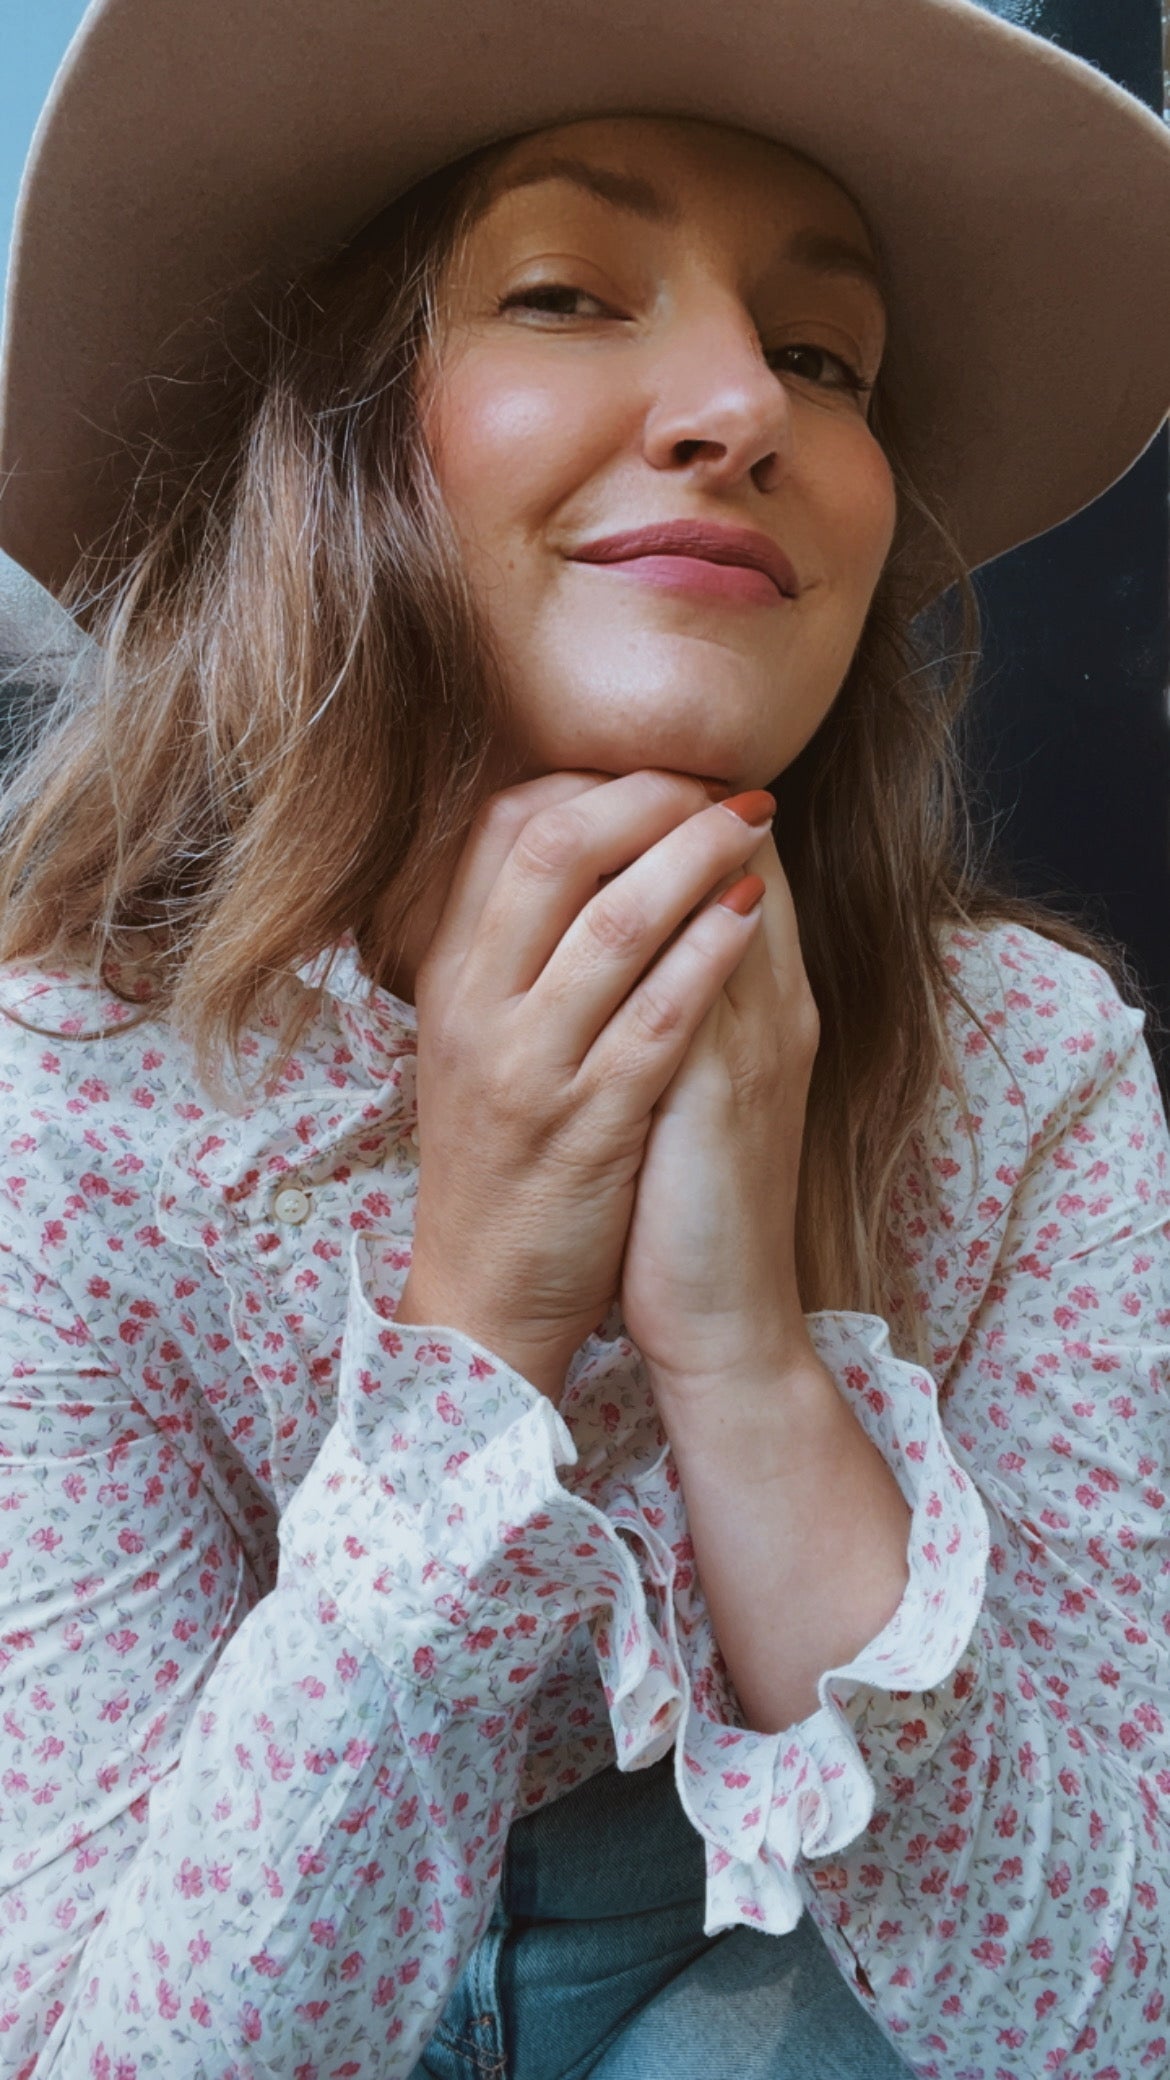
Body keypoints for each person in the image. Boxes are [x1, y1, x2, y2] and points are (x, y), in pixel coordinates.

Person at [0, 2, 1168, 2075]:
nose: (742, 404)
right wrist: (483, 1326)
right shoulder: (65, 1100)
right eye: (564, 292)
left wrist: (749, 1358)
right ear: (333, 438)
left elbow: (1106, 2014)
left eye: (826, 355)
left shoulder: (1031, 1069)